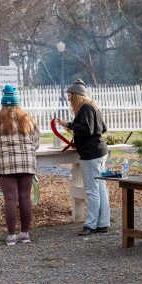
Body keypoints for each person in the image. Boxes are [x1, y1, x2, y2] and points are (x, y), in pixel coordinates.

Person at [0, 85, 40, 246]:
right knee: (25, 198)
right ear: (17, 103)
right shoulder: (28, 120)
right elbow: (36, 144)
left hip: (6, 166)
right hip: (27, 164)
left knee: (10, 199)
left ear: (3, 104)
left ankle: (11, 236)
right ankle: (25, 234)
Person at [55, 79, 110, 236]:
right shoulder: (93, 106)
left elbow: (87, 129)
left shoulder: (85, 108)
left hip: (91, 154)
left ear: (76, 95)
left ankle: (91, 224)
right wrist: (74, 127)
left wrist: (70, 125)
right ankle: (103, 223)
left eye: (70, 96)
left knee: (92, 190)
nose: (69, 99)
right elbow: (102, 128)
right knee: (101, 189)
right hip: (100, 152)